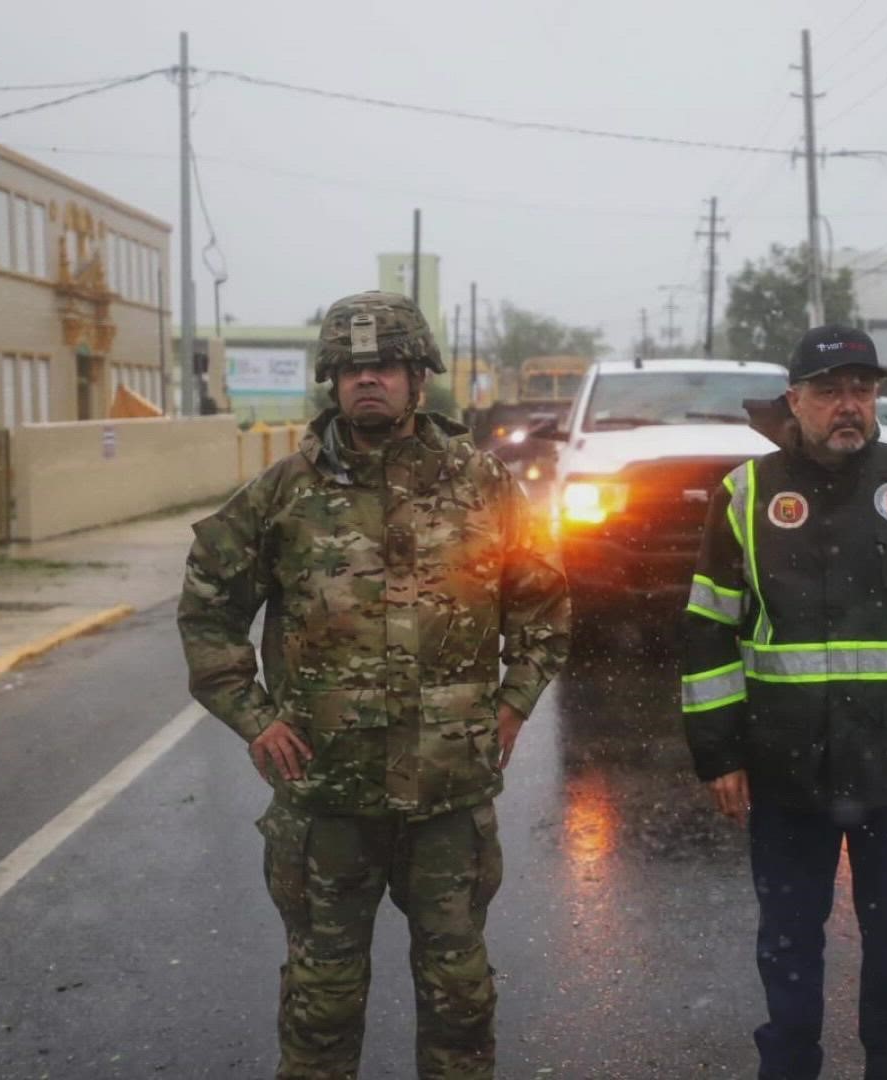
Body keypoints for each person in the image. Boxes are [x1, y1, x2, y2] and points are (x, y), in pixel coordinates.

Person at [177, 291, 570, 1080]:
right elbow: (207, 611)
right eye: (352, 367)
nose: (368, 381)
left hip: (448, 803)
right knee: (321, 1004)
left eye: (385, 365)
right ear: (330, 379)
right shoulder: (282, 494)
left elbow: (544, 605)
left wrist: (513, 706)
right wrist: (255, 718)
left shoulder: (483, 485)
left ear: (417, 377)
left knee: (461, 998)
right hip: (326, 799)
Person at [679, 325, 887, 1080]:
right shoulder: (747, 493)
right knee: (790, 941)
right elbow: (708, 628)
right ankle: (787, 1068)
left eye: (861, 389)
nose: (848, 406)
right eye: (829, 391)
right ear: (795, 399)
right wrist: (719, 752)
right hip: (784, 764)